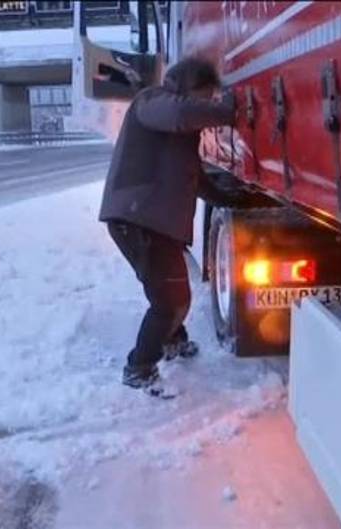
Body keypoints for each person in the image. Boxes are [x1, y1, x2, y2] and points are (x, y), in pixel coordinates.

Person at [98, 57, 237, 395]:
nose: (205, 107)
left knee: (168, 288)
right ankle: (139, 366)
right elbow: (180, 113)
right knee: (170, 299)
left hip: (152, 221)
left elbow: (194, 177)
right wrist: (225, 110)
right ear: (187, 88)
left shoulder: (178, 131)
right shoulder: (152, 102)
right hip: (139, 219)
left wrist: (228, 198)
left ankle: (173, 341)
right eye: (204, 97)